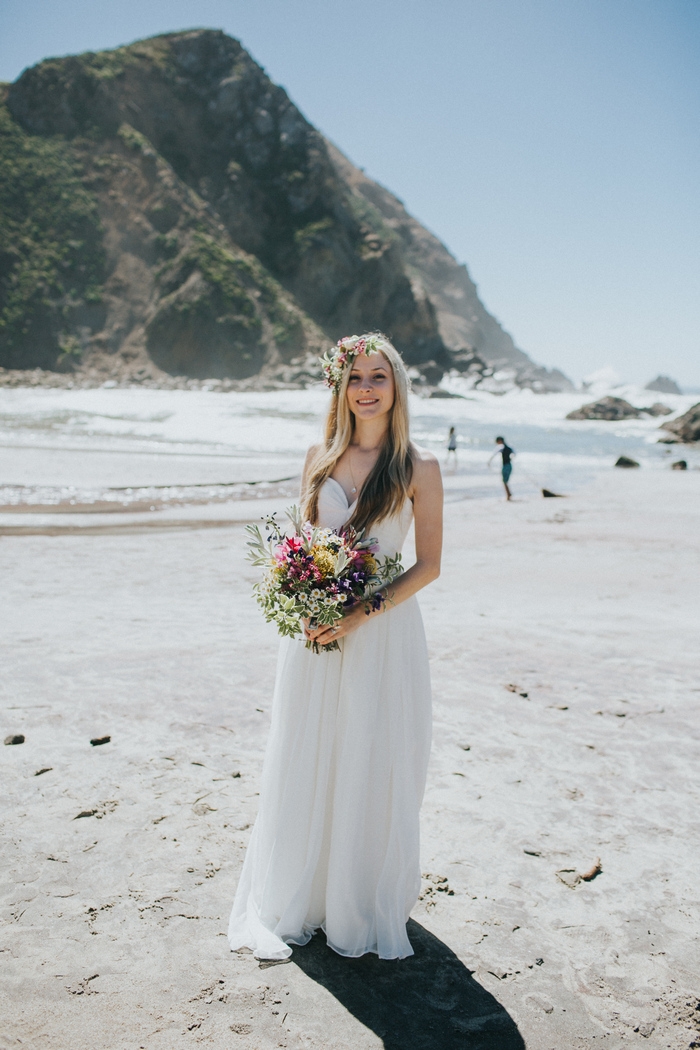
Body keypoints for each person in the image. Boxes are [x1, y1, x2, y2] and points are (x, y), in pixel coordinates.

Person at [228, 332, 443, 961]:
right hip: (315, 635)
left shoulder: (418, 466)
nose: (368, 388)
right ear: (340, 387)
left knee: (370, 757)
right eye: (356, 377)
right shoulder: (318, 456)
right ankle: (306, 893)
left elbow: (428, 565)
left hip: (382, 634)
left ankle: (356, 897)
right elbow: (300, 545)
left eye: (380, 376)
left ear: (397, 386)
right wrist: (300, 598)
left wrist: (360, 613)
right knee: (308, 748)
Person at [489, 435, 514, 500]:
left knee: (504, 481)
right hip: (510, 465)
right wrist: (510, 458)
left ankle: (508, 495)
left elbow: (494, 454)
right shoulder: (509, 447)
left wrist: (489, 462)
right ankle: (509, 493)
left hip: (505, 466)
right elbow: (514, 454)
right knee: (505, 481)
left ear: (500, 441)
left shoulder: (501, 447)